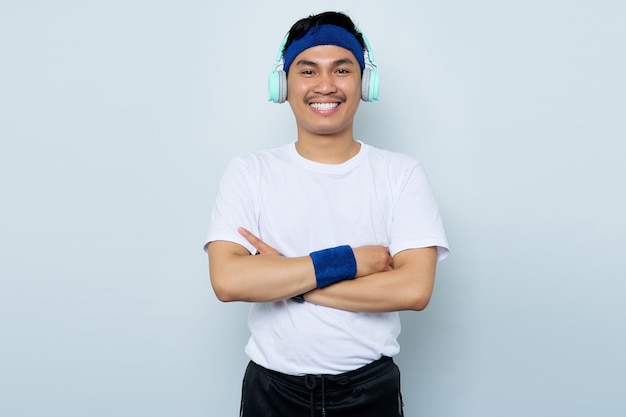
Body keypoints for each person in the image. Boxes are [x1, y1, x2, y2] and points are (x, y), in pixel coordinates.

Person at [204, 10, 449, 417]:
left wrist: (287, 281)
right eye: (307, 70)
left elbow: (413, 290)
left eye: (341, 69)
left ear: (364, 82)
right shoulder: (248, 172)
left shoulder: (400, 174)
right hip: (273, 391)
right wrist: (350, 261)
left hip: (369, 390)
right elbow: (229, 280)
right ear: (283, 83)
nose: (325, 86)